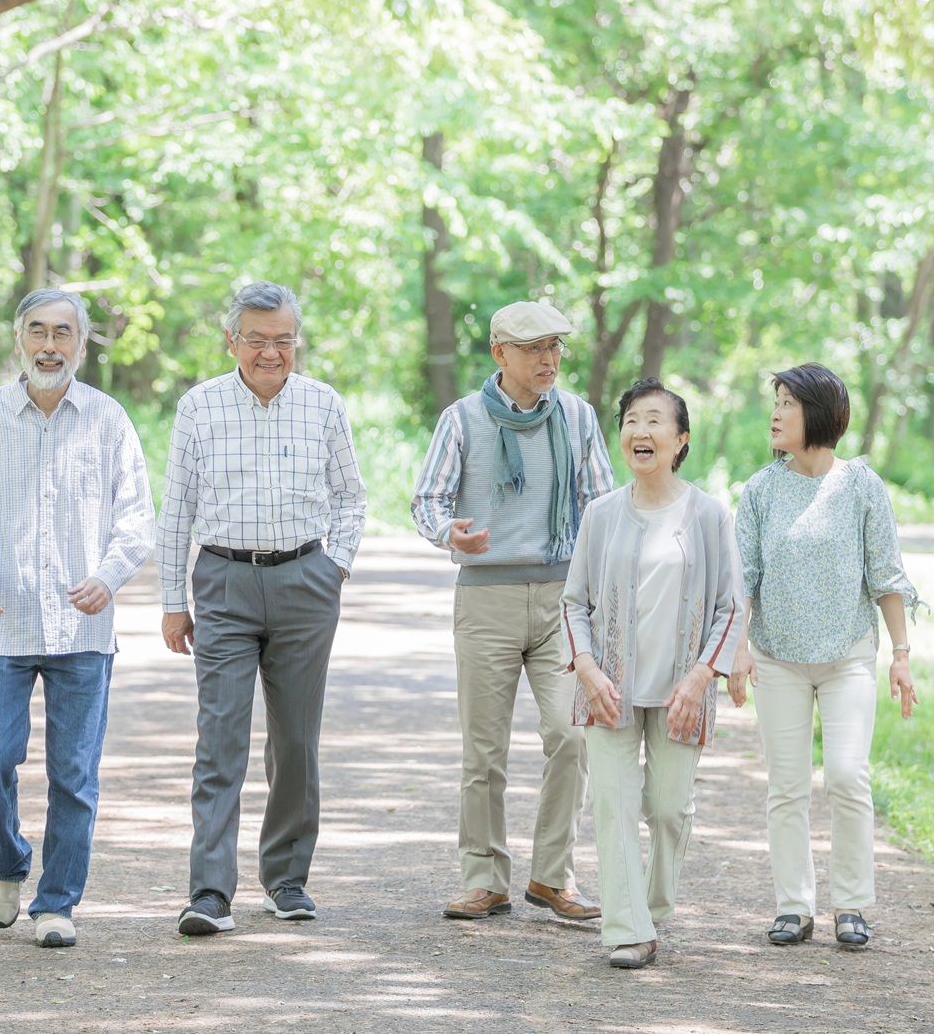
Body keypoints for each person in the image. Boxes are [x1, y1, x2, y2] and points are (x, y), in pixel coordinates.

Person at [0, 289, 154, 950]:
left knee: (73, 776)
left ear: (81, 344)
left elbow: (136, 518)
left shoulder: (108, 420)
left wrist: (107, 577)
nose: (50, 345)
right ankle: (5, 865)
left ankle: (57, 902)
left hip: (84, 629)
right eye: (38, 332)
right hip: (4, 622)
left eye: (63, 333)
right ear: (18, 340)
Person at [157, 281, 366, 936]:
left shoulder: (324, 406)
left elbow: (352, 497)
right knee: (219, 739)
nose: (270, 352)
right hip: (223, 581)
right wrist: (171, 602)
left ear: (295, 342)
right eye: (257, 339)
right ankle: (210, 893)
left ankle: (286, 880)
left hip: (306, 580)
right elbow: (178, 510)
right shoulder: (199, 407)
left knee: (296, 742)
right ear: (233, 342)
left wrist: (336, 567)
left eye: (282, 340)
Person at [409, 300, 613, 923]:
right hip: (486, 599)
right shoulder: (463, 419)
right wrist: (451, 534)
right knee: (484, 751)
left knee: (571, 734)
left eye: (555, 347)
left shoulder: (577, 417)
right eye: (534, 348)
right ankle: (483, 878)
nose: (549, 359)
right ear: (500, 354)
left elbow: (602, 505)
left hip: (562, 602)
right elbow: (426, 500)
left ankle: (553, 876)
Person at [727, 362, 920, 951]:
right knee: (786, 786)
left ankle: (853, 906)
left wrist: (902, 655)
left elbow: (886, 574)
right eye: (776, 401)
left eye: (787, 402)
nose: (776, 414)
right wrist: (736, 652)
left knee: (846, 774)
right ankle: (794, 906)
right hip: (779, 658)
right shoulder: (759, 489)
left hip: (849, 656)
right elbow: (743, 583)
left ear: (819, 414)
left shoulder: (862, 485)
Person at [562, 378, 745, 969]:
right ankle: (627, 930)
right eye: (631, 421)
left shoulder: (710, 516)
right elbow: (573, 602)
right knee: (612, 804)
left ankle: (652, 909)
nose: (640, 432)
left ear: (680, 439)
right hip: (608, 689)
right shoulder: (601, 515)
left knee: (667, 808)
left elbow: (731, 606)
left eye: (654, 421)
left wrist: (699, 679)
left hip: (681, 692)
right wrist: (586, 668)